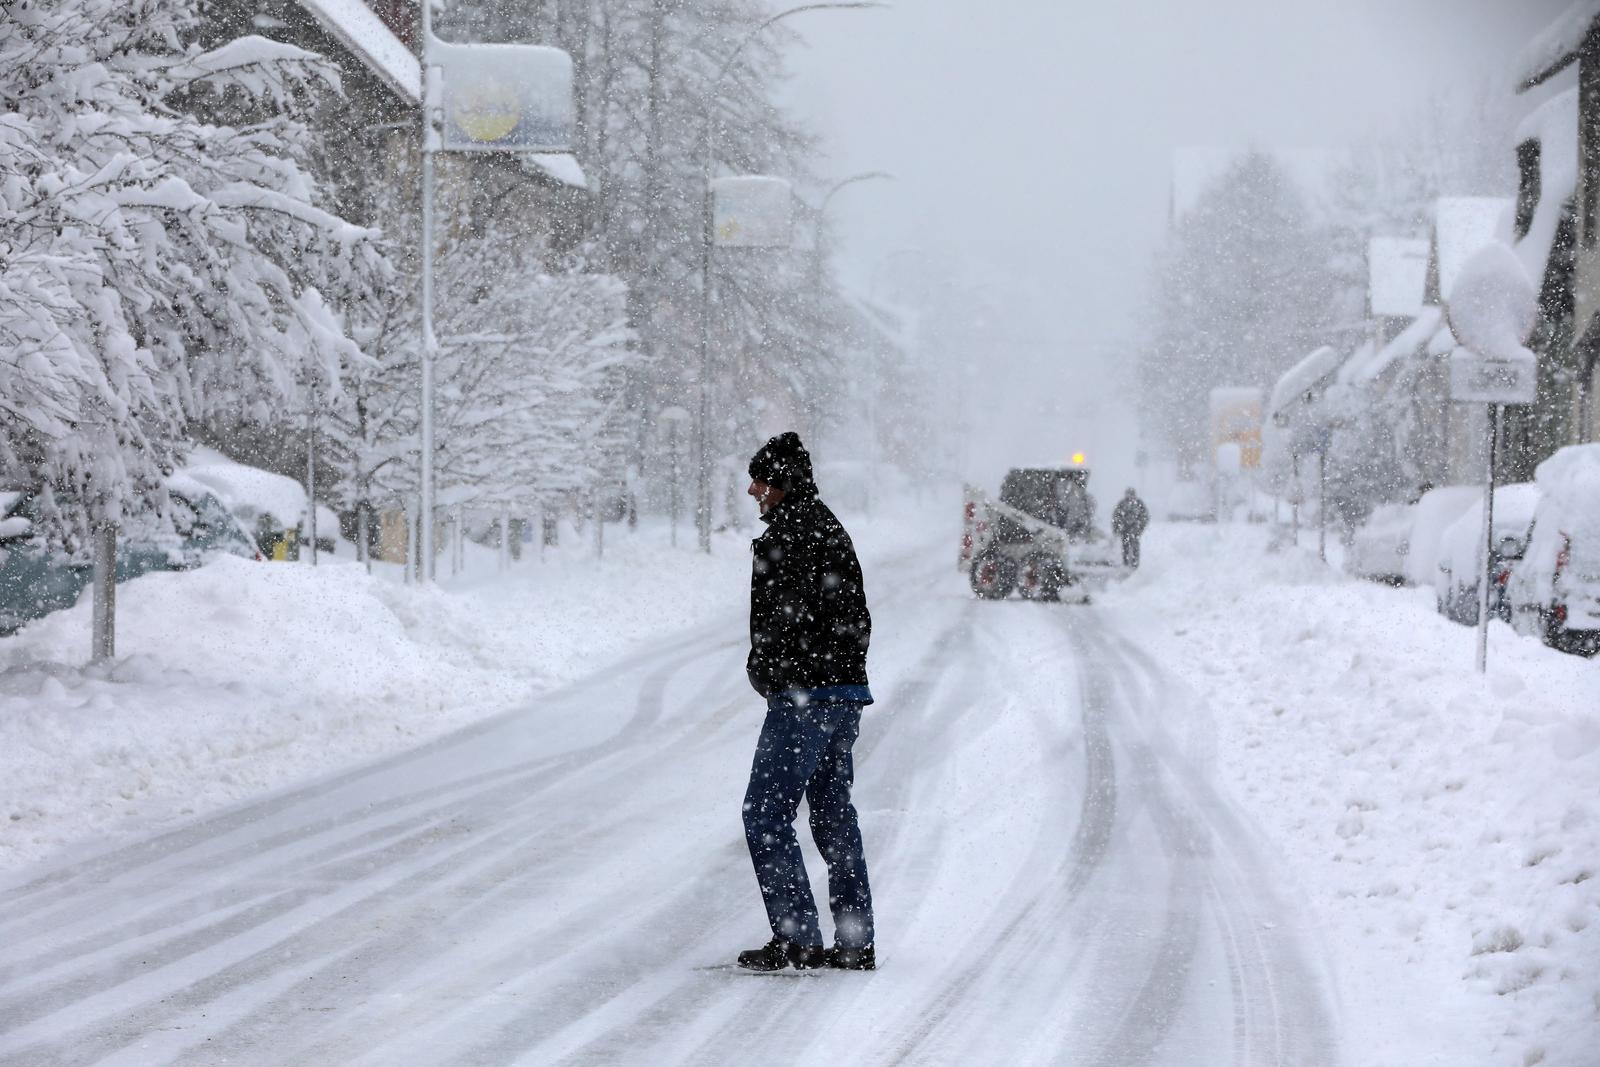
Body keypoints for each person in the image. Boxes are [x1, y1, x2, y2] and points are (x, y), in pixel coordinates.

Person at [736, 432, 876, 973]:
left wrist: (768, 671)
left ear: (784, 483)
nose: (753, 490)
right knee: (834, 813)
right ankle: (854, 938)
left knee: (765, 813)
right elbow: (854, 619)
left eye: (762, 480)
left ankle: (797, 937)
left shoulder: (790, 536)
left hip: (807, 698)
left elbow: (781, 626)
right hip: (844, 694)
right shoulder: (828, 527)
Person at [1111, 487, 1149, 569]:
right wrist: (1117, 528)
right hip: (1125, 530)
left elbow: (1144, 517)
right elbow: (1116, 516)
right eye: (1128, 494)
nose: (1130, 496)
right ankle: (1125, 564)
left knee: (1135, 547)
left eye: (1132, 494)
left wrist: (1139, 527)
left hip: (1135, 530)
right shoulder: (1122, 504)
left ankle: (1135, 565)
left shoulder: (1139, 503)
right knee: (1125, 547)